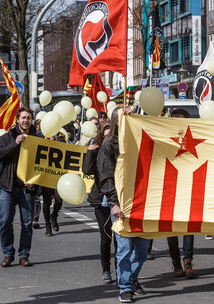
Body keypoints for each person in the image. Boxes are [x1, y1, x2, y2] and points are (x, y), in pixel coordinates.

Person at [99, 106, 148, 303]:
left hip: (142, 202)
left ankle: (132, 277)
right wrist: (113, 203)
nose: (131, 118)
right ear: (117, 121)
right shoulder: (109, 146)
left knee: (142, 249)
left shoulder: (140, 141)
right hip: (121, 203)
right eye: (126, 115)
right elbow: (106, 176)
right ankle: (125, 286)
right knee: (124, 248)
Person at [0, 107, 36, 267]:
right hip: (8, 186)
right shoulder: (6, 137)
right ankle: (8, 253)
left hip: (26, 188)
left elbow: (42, 165)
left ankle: (24, 255)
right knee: (5, 221)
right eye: (23, 118)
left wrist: (34, 180)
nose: (26, 121)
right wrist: (15, 143)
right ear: (17, 120)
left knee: (27, 224)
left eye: (29, 118)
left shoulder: (37, 138)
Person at [166, 108, 198, 278]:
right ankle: (176, 262)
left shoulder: (194, 137)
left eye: (180, 120)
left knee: (188, 227)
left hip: (188, 188)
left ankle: (188, 262)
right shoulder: (164, 137)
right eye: (174, 120)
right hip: (169, 189)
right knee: (170, 229)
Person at [83, 121, 116, 284]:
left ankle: (121, 271)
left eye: (111, 135)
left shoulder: (118, 152)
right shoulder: (96, 152)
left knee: (120, 238)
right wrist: (90, 152)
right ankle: (106, 270)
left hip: (116, 198)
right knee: (106, 237)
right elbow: (86, 171)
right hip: (100, 200)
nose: (108, 138)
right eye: (105, 135)